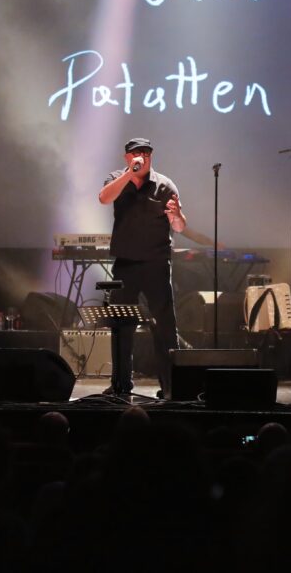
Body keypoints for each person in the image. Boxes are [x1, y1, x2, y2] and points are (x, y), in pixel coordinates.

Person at [99, 137, 187, 395]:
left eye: (146, 153)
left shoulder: (164, 185)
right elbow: (104, 198)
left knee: (165, 325)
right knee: (121, 324)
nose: (142, 157)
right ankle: (121, 384)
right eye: (137, 153)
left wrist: (176, 215)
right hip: (126, 263)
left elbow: (180, 225)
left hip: (156, 263)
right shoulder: (117, 179)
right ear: (127, 157)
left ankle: (170, 386)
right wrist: (129, 173)